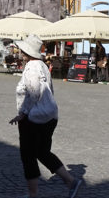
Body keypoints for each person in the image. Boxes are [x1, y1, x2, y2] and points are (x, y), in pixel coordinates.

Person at [9, 34, 83, 198]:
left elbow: (34, 92)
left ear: (25, 51)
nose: (20, 51)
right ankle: (71, 181)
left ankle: (33, 195)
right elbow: (48, 90)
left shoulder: (31, 67)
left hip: (34, 118)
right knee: (42, 152)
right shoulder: (42, 65)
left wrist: (23, 113)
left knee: (28, 155)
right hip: (50, 114)